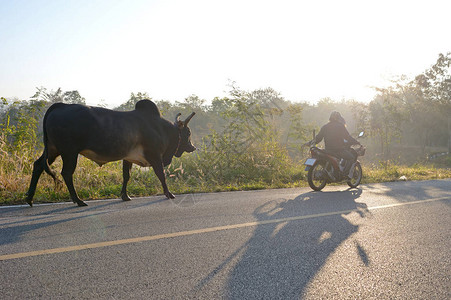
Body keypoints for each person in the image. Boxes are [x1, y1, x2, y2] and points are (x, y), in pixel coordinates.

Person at [311, 111, 360, 178]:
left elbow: (318, 138)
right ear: (339, 118)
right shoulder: (340, 126)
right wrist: (356, 142)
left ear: (330, 118)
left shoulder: (325, 127)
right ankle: (345, 174)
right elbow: (347, 137)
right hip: (339, 150)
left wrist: (310, 142)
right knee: (351, 158)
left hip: (328, 150)